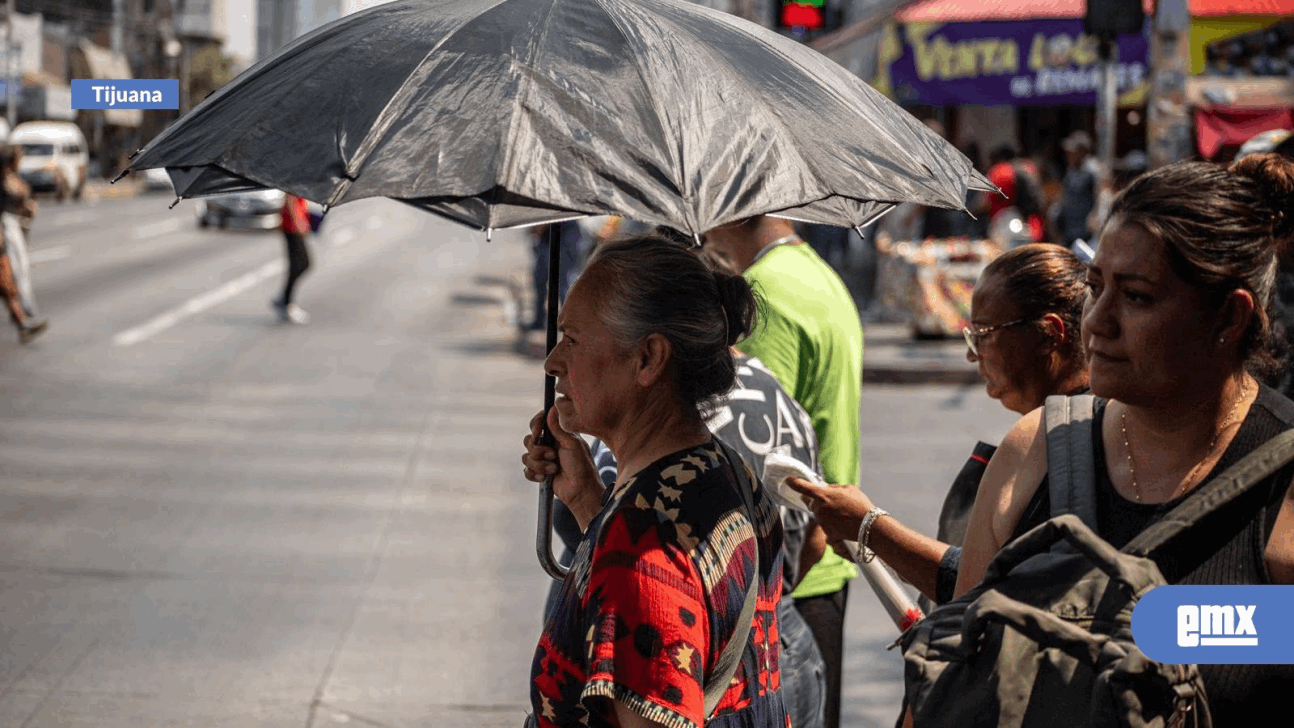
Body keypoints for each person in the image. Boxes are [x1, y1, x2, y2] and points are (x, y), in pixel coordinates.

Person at [946, 154, 1294, 723]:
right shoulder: (1033, 451)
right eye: (1095, 286)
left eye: (1136, 296)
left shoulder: (1282, 491)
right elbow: (959, 675)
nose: (1096, 322)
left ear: (1229, 318)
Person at [520, 233, 788, 728]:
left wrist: (613, 527)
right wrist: (586, 502)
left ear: (648, 358)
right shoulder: (729, 471)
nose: (552, 361)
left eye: (573, 340)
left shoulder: (643, 545)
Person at [787, 244, 1090, 606]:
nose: (971, 353)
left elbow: (984, 588)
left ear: (1047, 334)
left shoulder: (1065, 441)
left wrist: (872, 529)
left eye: (983, 333)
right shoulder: (1068, 429)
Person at [703, 215, 861, 728]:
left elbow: (749, 458)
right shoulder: (815, 273)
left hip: (779, 583)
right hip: (816, 562)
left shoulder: (764, 291)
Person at [1, 145, 47, 340]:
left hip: (8, 231)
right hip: (5, 231)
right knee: (8, 280)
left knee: (7, 284)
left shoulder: (11, 178)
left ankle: (23, 324)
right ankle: (23, 321)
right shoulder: (4, 179)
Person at [978, 143, 1045, 244]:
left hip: (1009, 233)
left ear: (998, 158)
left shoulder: (1000, 171)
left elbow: (983, 203)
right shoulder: (1029, 168)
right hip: (1033, 228)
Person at [1055, 131, 1101, 247]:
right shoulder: (1071, 169)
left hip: (1085, 231)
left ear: (1083, 151)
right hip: (1069, 228)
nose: (1068, 155)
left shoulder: (1092, 170)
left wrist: (1094, 217)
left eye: (1072, 152)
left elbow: (1100, 196)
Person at [272, 193, 312, 324]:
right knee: (302, 264)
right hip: (292, 227)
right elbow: (290, 199)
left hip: (292, 225)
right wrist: (298, 222)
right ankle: (286, 302)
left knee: (299, 265)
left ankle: (284, 299)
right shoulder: (297, 177)